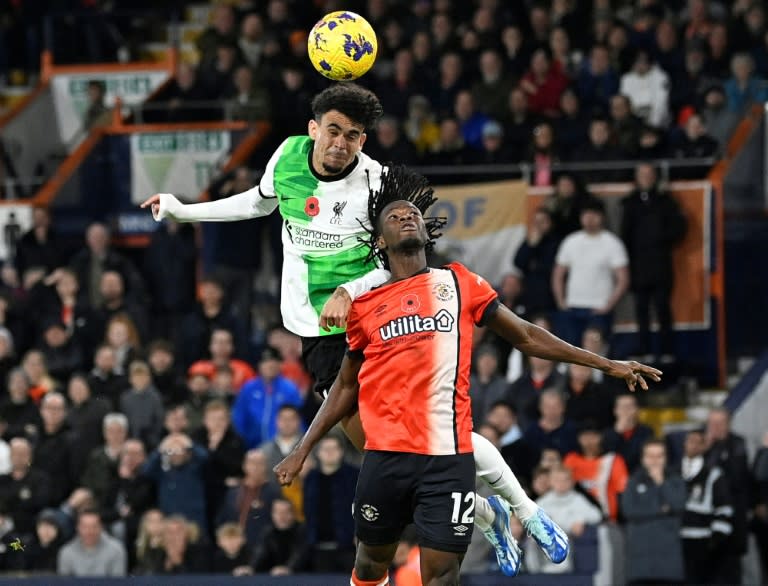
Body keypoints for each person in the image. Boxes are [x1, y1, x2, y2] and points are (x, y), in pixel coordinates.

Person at [145, 82, 581, 571]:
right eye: (333, 131)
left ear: (363, 141)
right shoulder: (287, 156)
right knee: (384, 447)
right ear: (314, 130)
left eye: (352, 135)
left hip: (376, 320)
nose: (341, 143)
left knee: (432, 433)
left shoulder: (376, 182)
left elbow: (390, 260)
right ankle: (485, 511)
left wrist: (349, 291)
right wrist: (184, 209)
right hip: (316, 331)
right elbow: (256, 203)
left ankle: (527, 511)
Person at [274, 166, 661, 584]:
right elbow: (346, 386)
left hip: (448, 460)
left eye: (413, 214)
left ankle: (521, 511)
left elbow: (528, 336)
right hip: (386, 458)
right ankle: (494, 510)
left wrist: (607, 364)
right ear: (380, 240)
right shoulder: (366, 308)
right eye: (395, 216)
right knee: (369, 565)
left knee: (440, 576)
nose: (407, 217)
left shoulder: (459, 283)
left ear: (425, 229)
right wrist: (303, 448)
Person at [621, 163, 687, 361]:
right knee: (641, 310)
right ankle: (644, 349)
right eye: (642, 174)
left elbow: (679, 227)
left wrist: (661, 238)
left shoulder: (666, 201)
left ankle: (667, 350)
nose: (646, 178)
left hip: (661, 264)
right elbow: (626, 235)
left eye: (650, 174)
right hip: (639, 266)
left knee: (662, 308)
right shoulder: (630, 203)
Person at [622, 439, 687, 585]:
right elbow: (629, 511)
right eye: (650, 456)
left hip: (669, 561)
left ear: (666, 458)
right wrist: (662, 509)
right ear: (643, 458)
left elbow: (678, 505)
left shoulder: (676, 480)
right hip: (639, 562)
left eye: (659, 456)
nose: (655, 461)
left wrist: (661, 482)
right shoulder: (633, 481)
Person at [57, 509, 127, 577]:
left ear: (101, 527)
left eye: (94, 526)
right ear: (78, 528)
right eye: (85, 527)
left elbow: (118, 582)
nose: (89, 531)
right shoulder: (66, 552)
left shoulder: (116, 549)